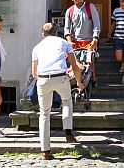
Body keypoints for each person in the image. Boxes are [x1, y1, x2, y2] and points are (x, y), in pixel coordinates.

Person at [32, 22, 84, 160]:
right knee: (66, 101)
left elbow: (34, 73)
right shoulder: (64, 43)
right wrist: (79, 83)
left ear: (43, 34)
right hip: (60, 77)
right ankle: (68, 132)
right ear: (56, 32)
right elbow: (74, 65)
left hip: (43, 79)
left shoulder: (37, 47)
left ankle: (45, 150)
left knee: (44, 113)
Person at [64, 0, 101, 86]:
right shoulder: (69, 11)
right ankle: (78, 83)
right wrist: (69, 40)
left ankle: (93, 80)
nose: (79, 1)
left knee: (90, 62)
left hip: (89, 41)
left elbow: (96, 24)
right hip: (75, 42)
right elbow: (67, 28)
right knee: (76, 64)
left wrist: (95, 39)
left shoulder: (90, 7)